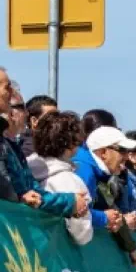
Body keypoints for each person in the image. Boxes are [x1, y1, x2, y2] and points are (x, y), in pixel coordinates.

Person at [0, 68, 85, 218]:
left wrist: (70, 203)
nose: (12, 92)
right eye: (7, 87)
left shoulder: (9, 145)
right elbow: (11, 194)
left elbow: (30, 190)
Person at [75, 127, 136, 266]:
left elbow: (112, 209)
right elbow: (75, 213)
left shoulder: (99, 173)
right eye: (122, 150)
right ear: (104, 152)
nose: (126, 157)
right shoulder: (84, 170)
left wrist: (131, 248)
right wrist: (104, 218)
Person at [33, 111, 93, 245]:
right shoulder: (71, 181)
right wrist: (78, 214)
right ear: (71, 144)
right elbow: (82, 235)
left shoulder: (23, 169)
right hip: (52, 258)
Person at [22, 94, 57, 184]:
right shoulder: (29, 150)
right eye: (51, 117)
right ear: (34, 121)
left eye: (58, 116)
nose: (57, 121)